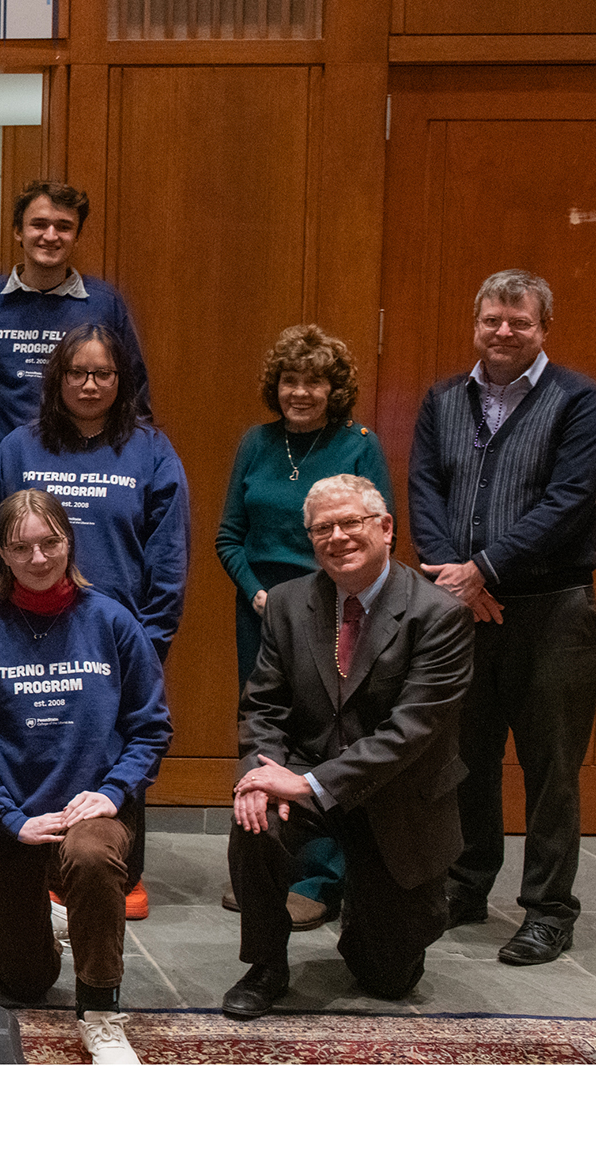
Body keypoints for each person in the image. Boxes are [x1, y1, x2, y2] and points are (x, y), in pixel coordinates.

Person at [221, 474, 473, 1018]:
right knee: (256, 815)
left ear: (385, 528)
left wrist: (311, 782)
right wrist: (260, 773)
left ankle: (375, 920)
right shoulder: (288, 604)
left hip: (398, 796)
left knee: (386, 978)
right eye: (322, 529)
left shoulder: (440, 615)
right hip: (304, 776)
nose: (337, 537)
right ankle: (266, 964)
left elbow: (414, 731)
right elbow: (263, 707)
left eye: (350, 523)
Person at [0, 489, 173, 1063]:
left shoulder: (114, 622)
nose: (39, 558)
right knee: (24, 983)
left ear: (69, 541)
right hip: (12, 822)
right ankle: (54, 921)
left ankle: (100, 1010)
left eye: (50, 542)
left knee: (92, 859)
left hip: (91, 812)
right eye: (21, 547)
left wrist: (113, 793)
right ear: (2, 552)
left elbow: (151, 728)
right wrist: (9, 818)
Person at [408, 269, 596, 967]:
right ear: (476, 323)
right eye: (492, 319)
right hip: (462, 607)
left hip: (554, 608)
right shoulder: (442, 399)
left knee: (551, 764)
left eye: (519, 321)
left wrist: (484, 568)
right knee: (468, 756)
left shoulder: (579, 400)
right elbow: (425, 487)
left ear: (543, 327)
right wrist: (457, 575)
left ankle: (548, 910)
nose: (504, 332)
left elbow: (571, 498)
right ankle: (466, 882)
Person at [0, 323, 189, 918]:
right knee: (48, 732)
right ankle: (50, 859)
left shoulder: (151, 449)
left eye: (103, 373)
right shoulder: (20, 447)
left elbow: (169, 549)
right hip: (31, 623)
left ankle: (121, 873)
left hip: (123, 630)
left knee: (123, 739)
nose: (90, 384)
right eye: (77, 372)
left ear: (122, 381)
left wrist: (152, 635)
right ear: (57, 379)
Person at [214, 324, 391, 928]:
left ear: (333, 389)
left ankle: (321, 874)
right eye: (291, 380)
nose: (301, 392)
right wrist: (258, 594)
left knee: (330, 734)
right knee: (268, 734)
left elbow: (374, 537)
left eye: (315, 381)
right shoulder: (255, 443)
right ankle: (269, 865)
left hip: (335, 609)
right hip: (263, 614)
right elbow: (229, 537)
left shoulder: (358, 445)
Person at [0, 180, 150, 436]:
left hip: (84, 468)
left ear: (77, 236)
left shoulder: (106, 304)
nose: (51, 236)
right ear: (18, 231)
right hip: (4, 468)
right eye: (39, 224)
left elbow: (135, 401)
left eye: (64, 227)